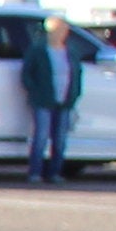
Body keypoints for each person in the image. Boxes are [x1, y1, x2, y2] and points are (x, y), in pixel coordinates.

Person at [29, 13, 87, 183]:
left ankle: (55, 172)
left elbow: (77, 74)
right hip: (43, 100)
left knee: (60, 139)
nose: (61, 33)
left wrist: (75, 94)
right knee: (41, 136)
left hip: (65, 100)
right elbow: (27, 74)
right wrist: (36, 92)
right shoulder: (38, 51)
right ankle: (35, 173)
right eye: (56, 29)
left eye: (63, 29)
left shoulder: (71, 52)